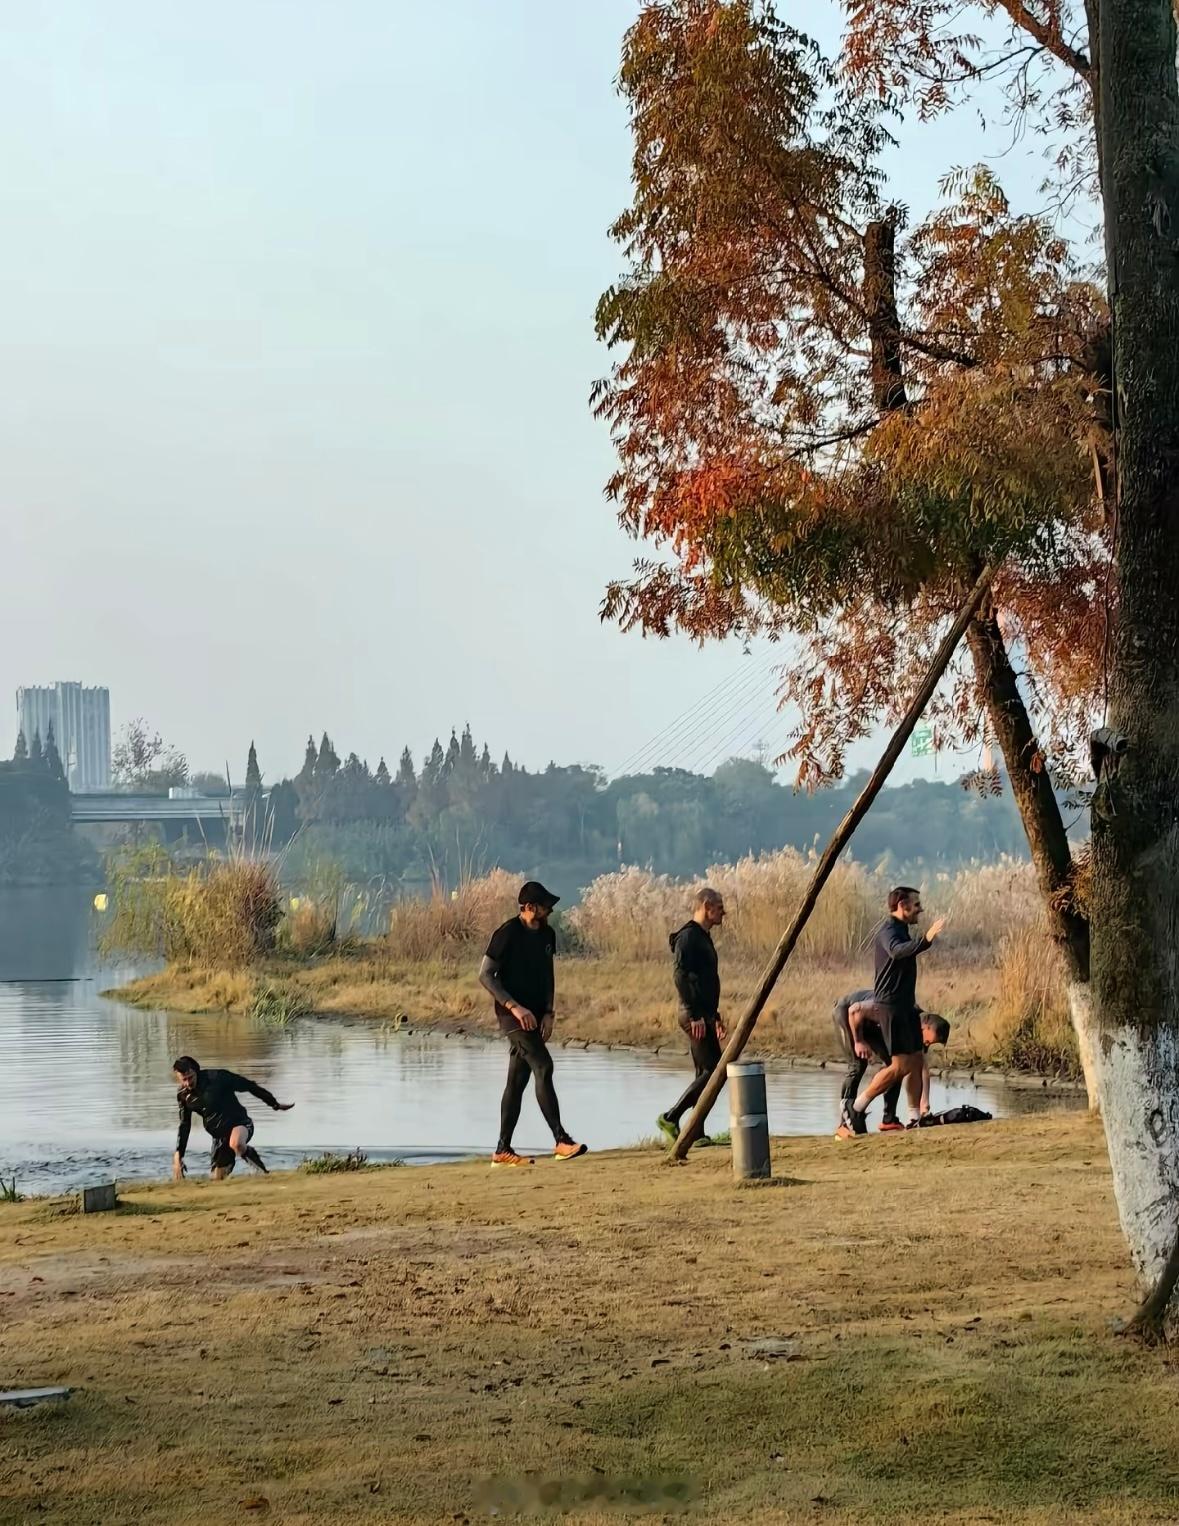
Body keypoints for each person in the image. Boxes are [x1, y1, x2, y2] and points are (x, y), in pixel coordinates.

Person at [479, 881, 587, 1167]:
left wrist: (549, 1012)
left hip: (538, 1014)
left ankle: (502, 1150)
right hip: (512, 1017)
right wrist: (515, 1007)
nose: (549, 910)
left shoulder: (548, 934)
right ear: (528, 908)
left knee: (517, 1082)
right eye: (543, 906)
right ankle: (561, 1140)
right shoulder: (507, 933)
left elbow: (548, 973)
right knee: (543, 1066)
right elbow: (486, 976)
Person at [837, 885, 947, 1137]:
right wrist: (926, 939)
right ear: (902, 906)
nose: (921, 909)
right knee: (899, 1065)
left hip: (906, 1006)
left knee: (917, 1059)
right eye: (916, 904)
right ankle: (855, 1107)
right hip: (891, 1008)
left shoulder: (903, 931)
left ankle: (914, 1118)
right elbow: (898, 952)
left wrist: (923, 942)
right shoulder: (888, 932)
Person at [656, 887, 728, 1145]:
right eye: (719, 907)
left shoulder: (703, 936)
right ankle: (671, 1117)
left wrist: (715, 1016)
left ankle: (696, 1132)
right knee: (714, 1071)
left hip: (703, 1014)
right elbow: (680, 976)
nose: (723, 911)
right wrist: (696, 1015)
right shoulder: (688, 937)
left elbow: (705, 982)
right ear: (706, 906)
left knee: (704, 1072)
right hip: (692, 1015)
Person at [833, 990, 950, 1137]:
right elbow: (854, 1010)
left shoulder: (915, 1029)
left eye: (929, 1044)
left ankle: (889, 1120)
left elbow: (921, 1066)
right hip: (848, 1014)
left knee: (896, 1065)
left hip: (872, 1023)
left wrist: (924, 1105)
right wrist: (859, 1041)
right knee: (857, 1066)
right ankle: (845, 1121)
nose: (926, 1044)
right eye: (927, 1041)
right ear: (925, 1026)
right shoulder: (901, 1011)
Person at [172, 1056, 294, 1180]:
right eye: (183, 1080)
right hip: (219, 1137)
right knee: (217, 1178)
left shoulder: (218, 1078)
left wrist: (274, 1104)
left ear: (195, 1071)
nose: (188, 1083)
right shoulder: (183, 1095)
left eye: (190, 1078)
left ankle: (263, 1174)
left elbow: (249, 1086)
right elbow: (184, 1125)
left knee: (236, 1144)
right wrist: (178, 1154)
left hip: (239, 1123)